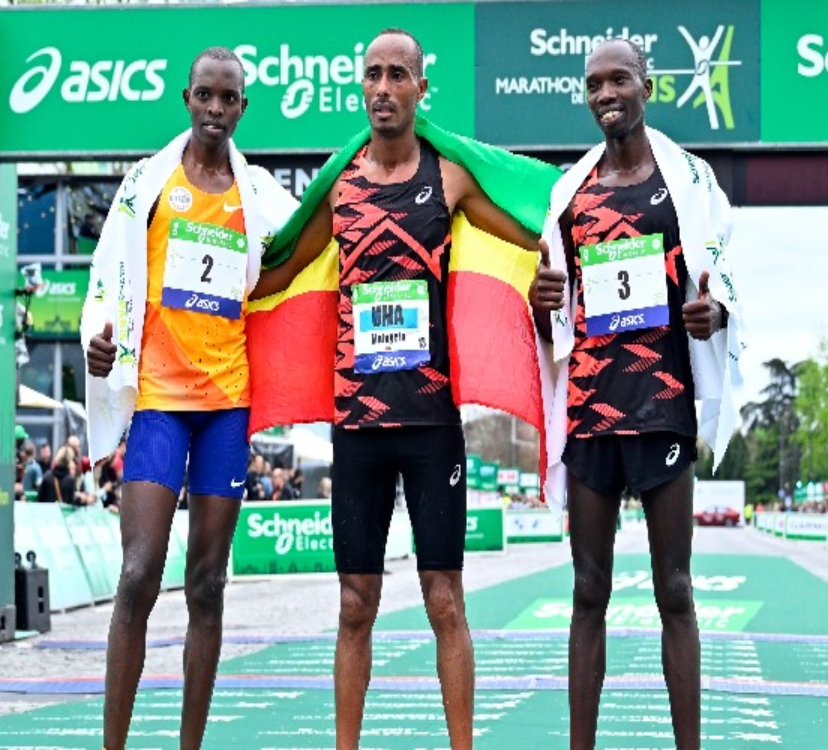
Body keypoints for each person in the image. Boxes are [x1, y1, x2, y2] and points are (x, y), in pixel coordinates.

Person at [253, 29, 542, 750]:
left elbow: (535, 239)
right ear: (362, 86)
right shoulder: (341, 184)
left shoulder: (449, 179)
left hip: (431, 425)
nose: (382, 88)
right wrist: (188, 296)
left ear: (420, 88)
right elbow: (283, 273)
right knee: (356, 604)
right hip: (356, 429)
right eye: (372, 75)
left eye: (397, 75)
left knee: (445, 600)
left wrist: (570, 269)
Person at [529, 39, 744, 750]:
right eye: (594, 83)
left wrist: (716, 315)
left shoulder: (687, 179)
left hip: (663, 405)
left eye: (619, 79)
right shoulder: (569, 193)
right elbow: (554, 304)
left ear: (647, 86)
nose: (605, 93)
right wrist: (539, 303)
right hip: (592, 409)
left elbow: (724, 275)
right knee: (588, 591)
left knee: (674, 591)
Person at [81, 47, 297, 749]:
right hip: (158, 404)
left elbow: (310, 247)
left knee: (206, 584)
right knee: (140, 573)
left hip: (227, 408)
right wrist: (97, 336)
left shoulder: (260, 194)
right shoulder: (147, 182)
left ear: (241, 107)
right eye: (203, 95)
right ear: (187, 99)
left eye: (226, 98)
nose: (213, 108)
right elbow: (106, 273)